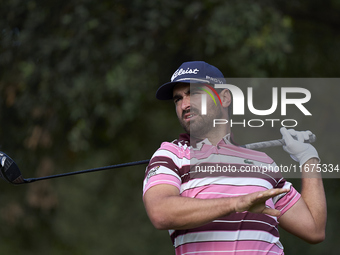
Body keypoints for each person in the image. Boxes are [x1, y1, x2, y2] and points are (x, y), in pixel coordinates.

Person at [143, 61, 326, 255]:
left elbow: (314, 229)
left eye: (194, 93)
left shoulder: (262, 162)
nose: (184, 104)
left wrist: (307, 157)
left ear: (224, 98)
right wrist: (236, 203)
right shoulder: (172, 155)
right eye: (177, 99)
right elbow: (160, 212)